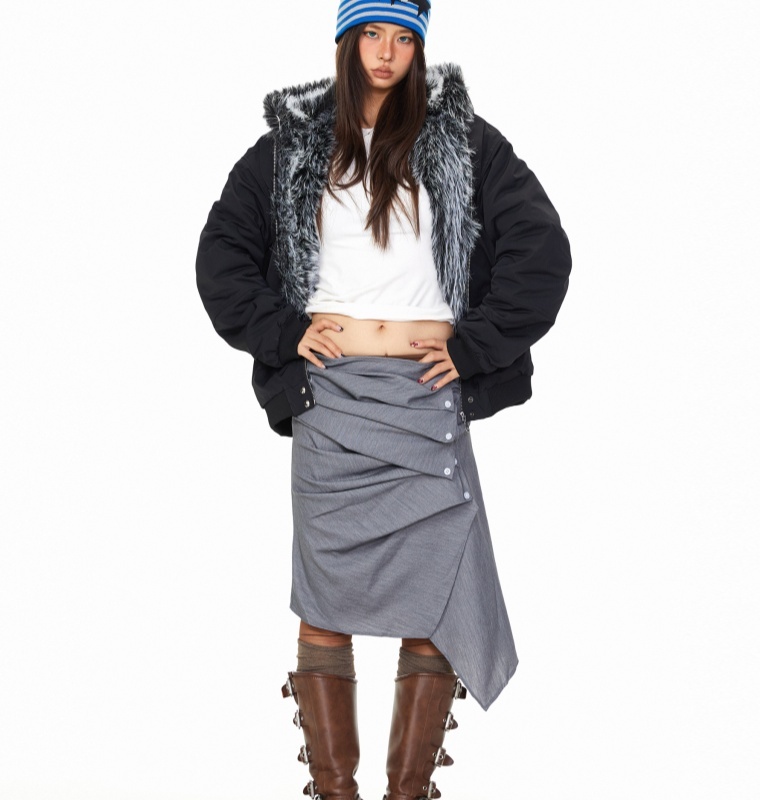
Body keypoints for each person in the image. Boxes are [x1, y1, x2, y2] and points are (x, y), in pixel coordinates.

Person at [195, 1, 571, 797]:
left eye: (404, 38)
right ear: (346, 39)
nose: (387, 53)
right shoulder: (289, 148)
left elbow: (542, 249)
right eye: (372, 33)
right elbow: (221, 255)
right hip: (329, 404)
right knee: (326, 599)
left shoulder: (464, 143)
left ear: (419, 46)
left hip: (426, 400)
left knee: (439, 597)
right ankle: (334, 791)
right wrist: (283, 331)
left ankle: (408, 792)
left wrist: (471, 348)